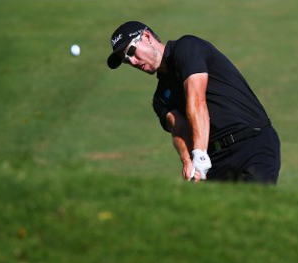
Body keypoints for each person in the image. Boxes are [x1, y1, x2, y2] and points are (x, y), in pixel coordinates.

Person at [106, 20, 280, 184]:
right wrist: (188, 161)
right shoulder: (160, 99)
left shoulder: (186, 47)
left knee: (252, 209)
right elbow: (179, 128)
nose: (133, 61)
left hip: (251, 142)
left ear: (147, 37)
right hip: (215, 158)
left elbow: (196, 99)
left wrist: (199, 154)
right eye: (126, 60)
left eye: (131, 52)